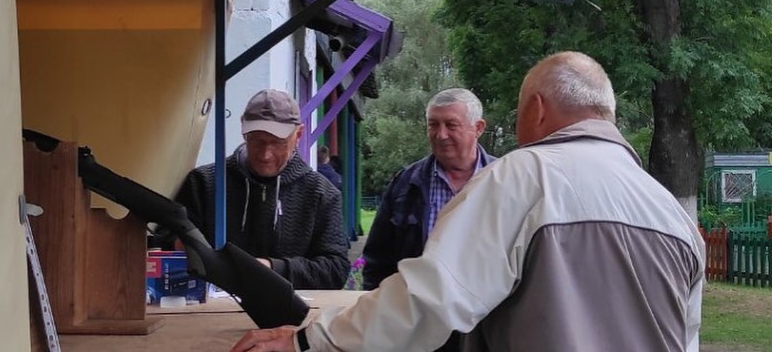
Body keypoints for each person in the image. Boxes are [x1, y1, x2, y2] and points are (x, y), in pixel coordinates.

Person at [230, 52, 705, 352]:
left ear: (536, 109)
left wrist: (310, 341)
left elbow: (431, 296)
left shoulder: (522, 177)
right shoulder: (670, 211)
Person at [175, 89, 350, 289]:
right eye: (257, 140)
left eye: (278, 143)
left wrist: (271, 269)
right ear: (243, 128)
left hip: (288, 307)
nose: (265, 154)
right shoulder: (204, 183)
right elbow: (168, 244)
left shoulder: (321, 193)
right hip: (213, 306)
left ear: (298, 134)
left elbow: (336, 269)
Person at [362, 88, 495, 294]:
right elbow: (378, 260)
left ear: (478, 128)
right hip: (417, 308)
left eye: (451, 125)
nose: (441, 135)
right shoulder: (405, 184)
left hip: (489, 309)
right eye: (433, 125)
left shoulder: (504, 181)